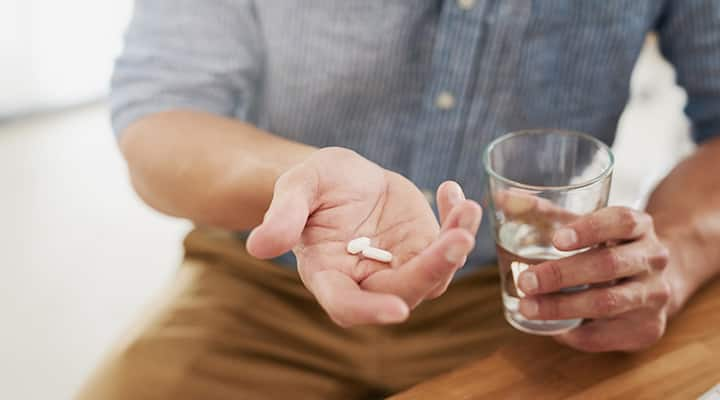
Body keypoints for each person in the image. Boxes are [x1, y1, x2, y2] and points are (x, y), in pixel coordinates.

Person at [78, 1, 720, 399]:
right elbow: (160, 119)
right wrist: (302, 179)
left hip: (527, 296)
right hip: (259, 287)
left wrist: (680, 248)